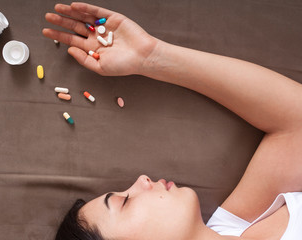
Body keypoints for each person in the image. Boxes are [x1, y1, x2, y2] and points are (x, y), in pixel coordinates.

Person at [43, 2, 302, 239]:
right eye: (124, 202)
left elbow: (296, 122)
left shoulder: (232, 228)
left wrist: (151, 56)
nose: (142, 179)